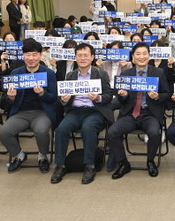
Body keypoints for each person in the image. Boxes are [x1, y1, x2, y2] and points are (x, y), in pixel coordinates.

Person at [51, 43, 113, 184]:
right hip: (75, 111)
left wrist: (98, 97)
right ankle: (60, 165)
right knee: (61, 129)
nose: (83, 58)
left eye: (86, 55)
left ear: (92, 57)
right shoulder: (70, 75)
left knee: (88, 128)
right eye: (79, 55)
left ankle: (90, 166)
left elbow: (109, 96)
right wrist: (64, 100)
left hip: (95, 111)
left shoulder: (101, 74)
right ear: (75, 58)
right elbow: (63, 99)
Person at [108, 43, 171, 178]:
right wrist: (122, 96)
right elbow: (121, 99)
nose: (141, 57)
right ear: (133, 57)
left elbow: (167, 94)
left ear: (149, 56)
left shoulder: (158, 73)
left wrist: (158, 96)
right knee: (112, 132)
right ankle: (124, 163)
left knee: (154, 133)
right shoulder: (126, 73)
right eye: (138, 54)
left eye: (144, 53)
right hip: (130, 114)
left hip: (150, 113)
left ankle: (150, 161)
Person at [0, 39, 57, 173]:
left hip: (41, 112)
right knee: (3, 132)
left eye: (34, 55)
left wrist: (42, 93)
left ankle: (42, 156)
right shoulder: (15, 73)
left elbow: (53, 98)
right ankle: (19, 155)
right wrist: (11, 97)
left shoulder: (48, 73)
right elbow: (6, 103)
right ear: (23, 55)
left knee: (41, 131)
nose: (31, 58)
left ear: (40, 55)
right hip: (20, 113)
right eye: (28, 55)